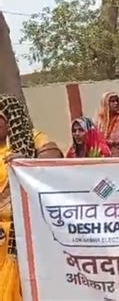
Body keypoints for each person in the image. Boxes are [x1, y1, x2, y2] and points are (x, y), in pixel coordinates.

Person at [0, 94, 62, 301]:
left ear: (10, 118)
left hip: (23, 234)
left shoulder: (30, 138)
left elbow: (54, 155)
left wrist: (27, 162)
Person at [95, 91, 119, 156]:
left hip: (118, 154)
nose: (116, 103)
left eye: (117, 101)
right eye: (112, 101)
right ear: (105, 103)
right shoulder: (99, 121)